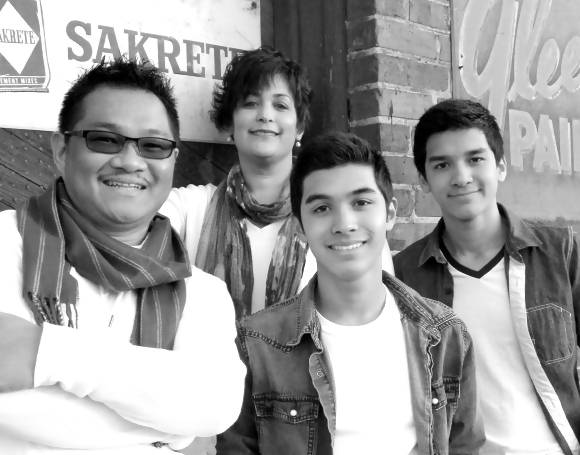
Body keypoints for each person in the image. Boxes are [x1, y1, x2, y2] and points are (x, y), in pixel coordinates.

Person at [0, 57, 245, 454]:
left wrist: (47, 354)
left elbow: (215, 404)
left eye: (153, 145)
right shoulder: (5, 244)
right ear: (61, 150)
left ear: (173, 161)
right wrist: (172, 432)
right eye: (104, 139)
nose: (130, 161)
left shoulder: (202, 293)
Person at [217, 132, 485, 454]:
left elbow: (465, 446)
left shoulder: (446, 335)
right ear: (300, 227)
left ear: (390, 213)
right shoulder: (255, 345)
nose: (344, 224)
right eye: (322, 208)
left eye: (361, 203)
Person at [393, 99, 580, 454]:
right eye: (442, 164)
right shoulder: (405, 275)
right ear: (424, 180)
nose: (461, 177)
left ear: (501, 166)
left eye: (475, 159)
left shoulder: (559, 252)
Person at [160, 46, 394, 320]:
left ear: (299, 128)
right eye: (250, 103)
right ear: (229, 124)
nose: (265, 115)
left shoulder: (340, 218)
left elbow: (378, 317)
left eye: (280, 105)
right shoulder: (190, 208)